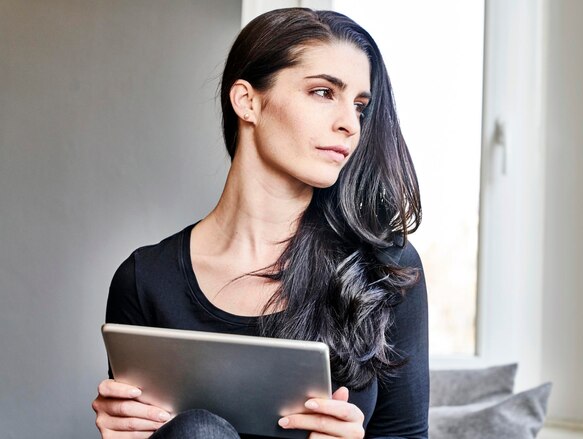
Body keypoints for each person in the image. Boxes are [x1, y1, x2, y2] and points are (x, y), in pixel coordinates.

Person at [92, 7, 429, 439]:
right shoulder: (144, 280)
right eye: (324, 92)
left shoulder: (385, 268)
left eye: (360, 106)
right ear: (247, 101)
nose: (350, 124)